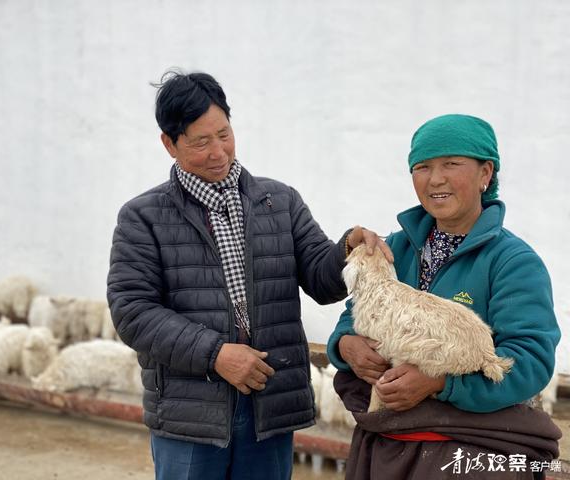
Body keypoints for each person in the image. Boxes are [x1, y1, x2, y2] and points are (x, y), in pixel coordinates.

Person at [106, 70, 390, 480]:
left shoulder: (280, 201)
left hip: (269, 401)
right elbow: (132, 311)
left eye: (224, 134)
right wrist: (216, 355)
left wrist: (347, 248)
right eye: (201, 142)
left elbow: (320, 278)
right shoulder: (143, 217)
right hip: (192, 413)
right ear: (169, 144)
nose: (218, 151)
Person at [326, 114, 562, 480]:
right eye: (422, 166)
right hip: (386, 447)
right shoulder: (398, 248)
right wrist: (347, 346)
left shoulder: (513, 262)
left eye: (451, 164)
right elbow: (352, 316)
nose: (435, 179)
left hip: (469, 456)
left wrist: (440, 382)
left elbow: (529, 362)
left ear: (486, 173)